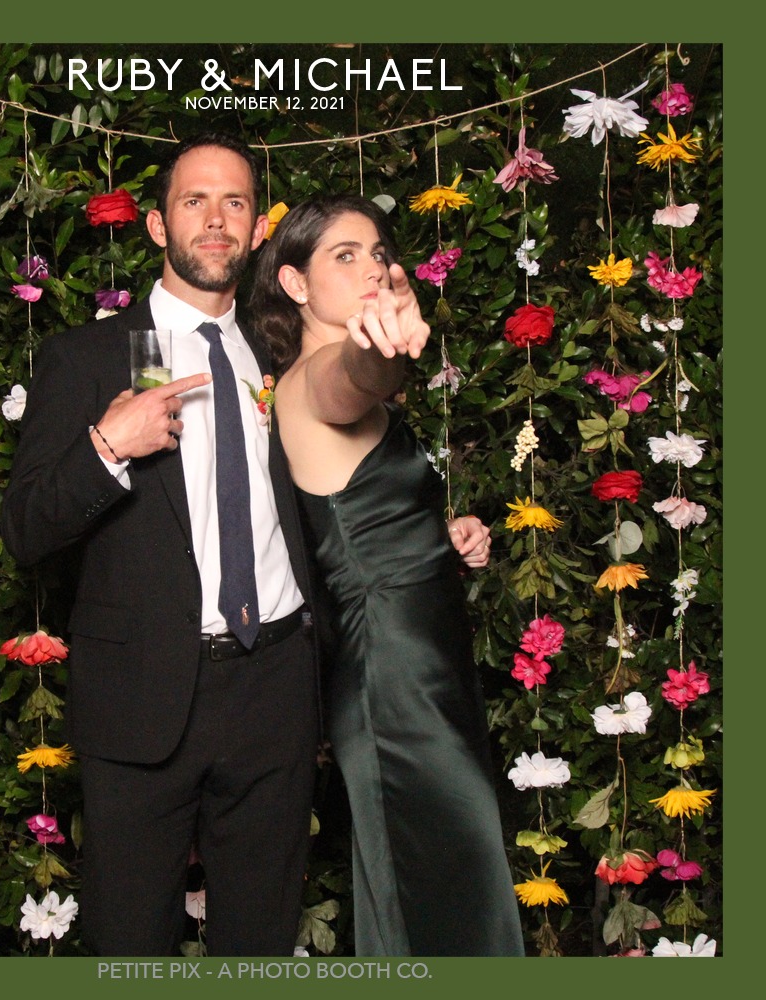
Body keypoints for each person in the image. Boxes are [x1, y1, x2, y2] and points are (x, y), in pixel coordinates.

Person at [1, 132, 320, 956]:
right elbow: (25, 529)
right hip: (141, 694)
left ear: (258, 228)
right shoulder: (86, 358)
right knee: (131, 942)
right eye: (193, 201)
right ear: (156, 225)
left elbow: (335, 493)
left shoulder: (287, 353)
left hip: (276, 689)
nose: (215, 220)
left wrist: (432, 531)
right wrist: (106, 446)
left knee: (260, 943)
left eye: (235, 202)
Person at [250, 194, 525, 957]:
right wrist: (381, 353)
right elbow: (354, 377)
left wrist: (437, 536)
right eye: (344, 256)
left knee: (448, 882)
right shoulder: (313, 379)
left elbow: (357, 515)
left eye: (377, 253)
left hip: (425, 662)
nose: (372, 267)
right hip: (393, 676)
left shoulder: (335, 386)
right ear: (295, 283)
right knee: (446, 897)